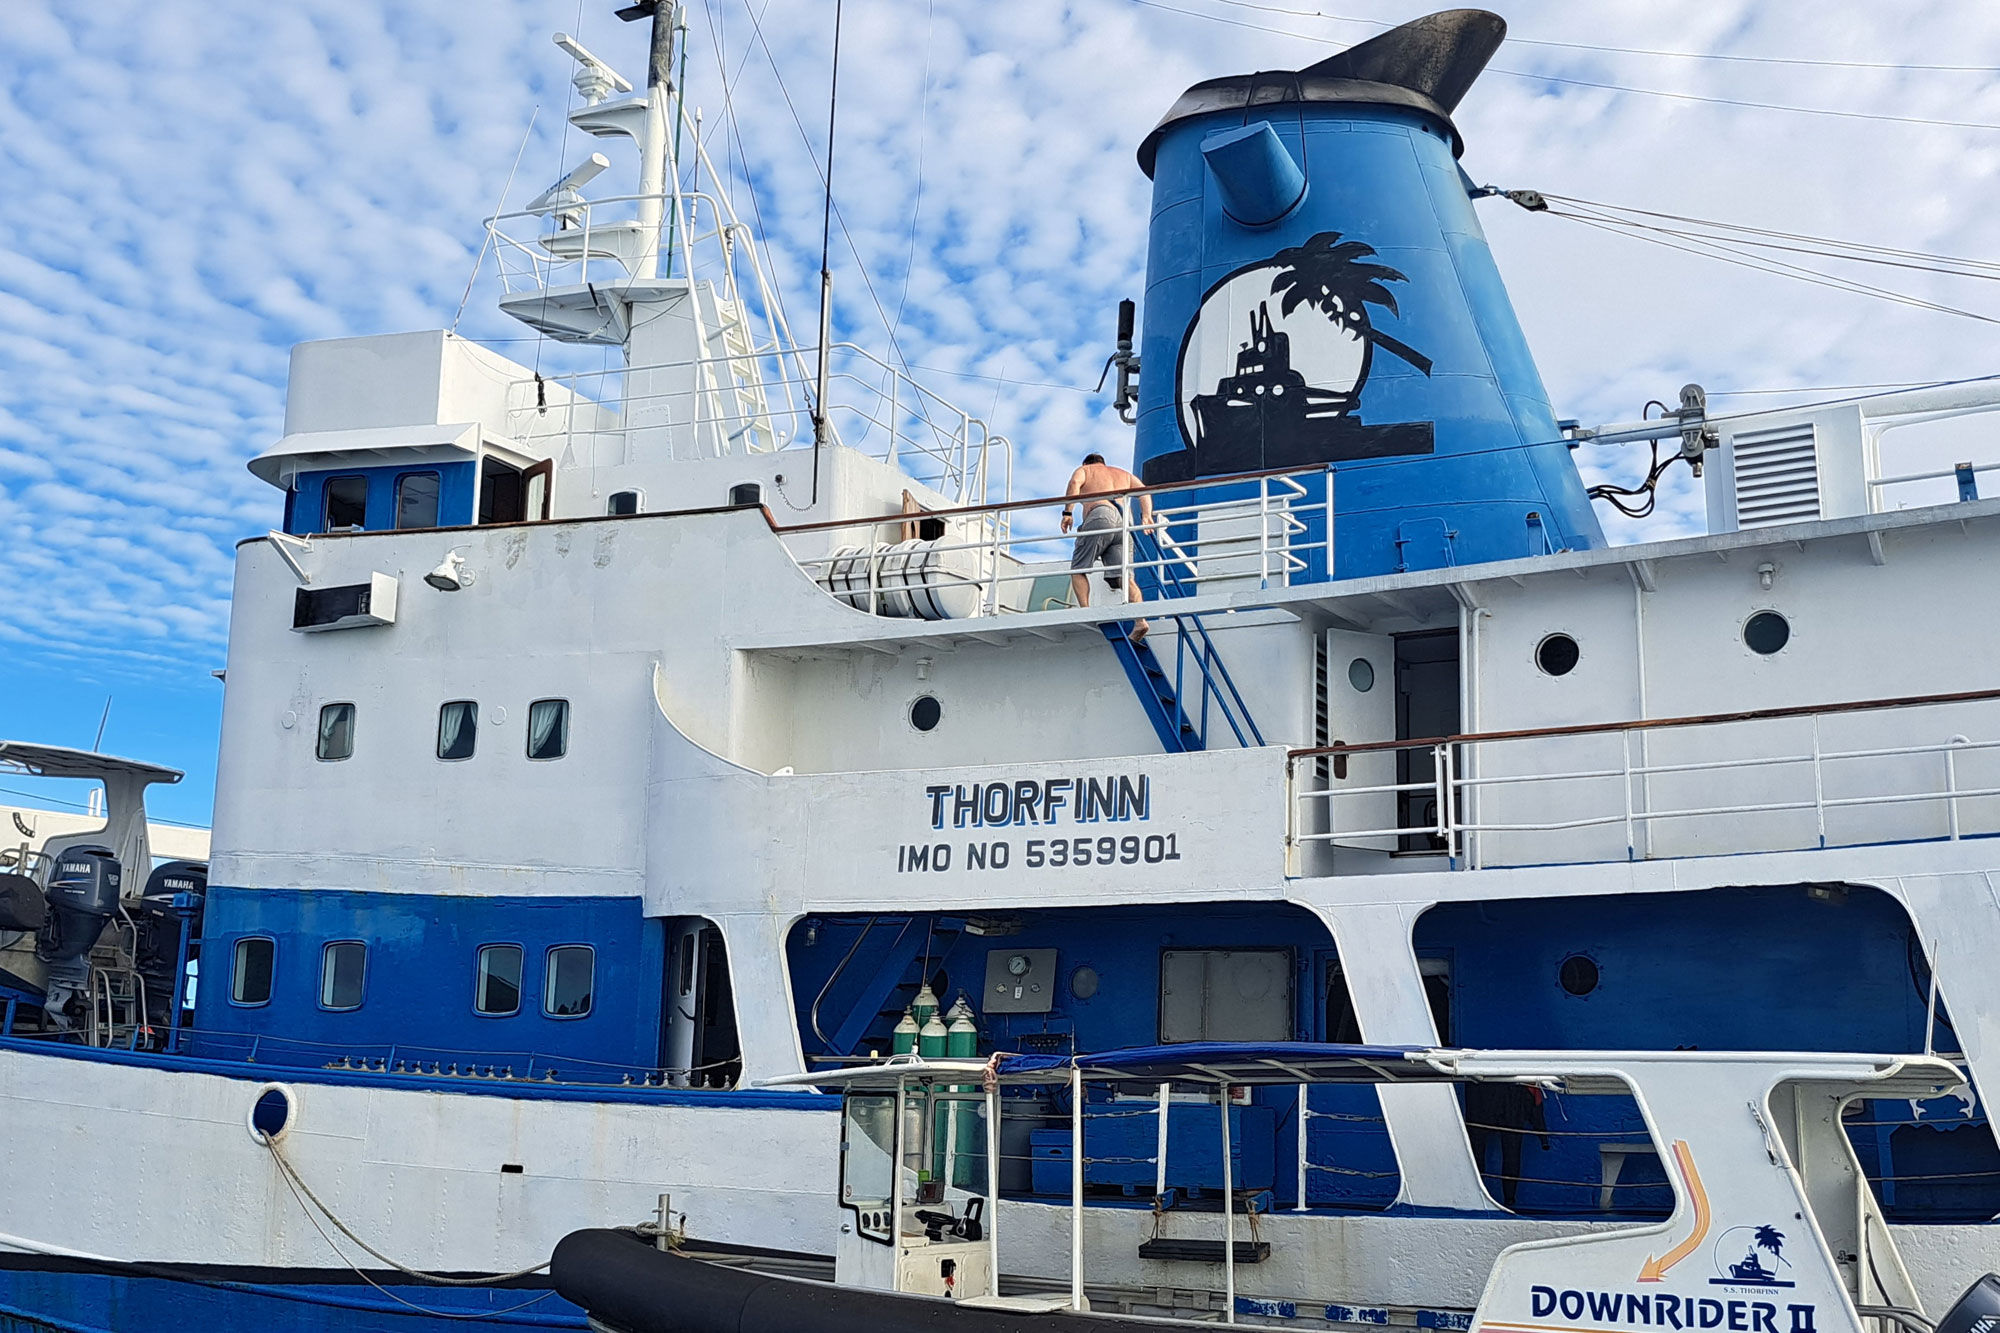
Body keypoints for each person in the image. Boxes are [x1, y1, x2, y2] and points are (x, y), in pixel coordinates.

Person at [1060, 452, 1155, 641]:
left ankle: (1085, 612)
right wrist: (1146, 515)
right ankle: (1140, 621)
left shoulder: (1085, 470)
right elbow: (1144, 491)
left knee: (1078, 569)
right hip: (1124, 522)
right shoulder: (1123, 474)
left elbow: (1073, 484)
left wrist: (1067, 512)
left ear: (1087, 463)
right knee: (1124, 576)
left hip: (1100, 513)